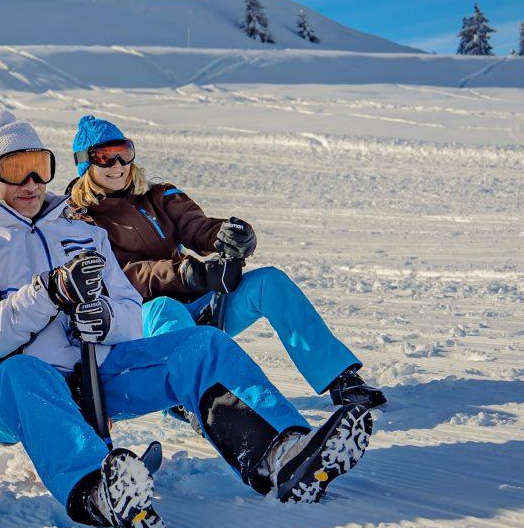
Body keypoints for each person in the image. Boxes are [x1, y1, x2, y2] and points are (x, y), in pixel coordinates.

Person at [0, 109, 373, 528]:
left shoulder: (81, 231)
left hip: (97, 373)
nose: (31, 183)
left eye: (39, 168)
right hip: (13, 386)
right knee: (24, 371)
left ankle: (281, 452)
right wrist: (47, 293)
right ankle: (95, 490)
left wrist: (106, 318)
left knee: (201, 345)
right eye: (16, 170)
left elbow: (130, 310)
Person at [64, 114, 386, 412]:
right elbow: (123, 275)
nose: (118, 164)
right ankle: (185, 394)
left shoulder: (157, 194)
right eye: (105, 157)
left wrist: (227, 236)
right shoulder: (81, 219)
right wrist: (187, 274)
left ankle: (338, 378)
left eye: (124, 152)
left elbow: (195, 226)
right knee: (164, 308)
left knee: (269, 283)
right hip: (141, 320)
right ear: (85, 164)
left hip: (199, 304)